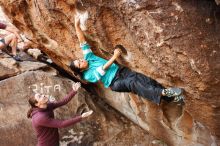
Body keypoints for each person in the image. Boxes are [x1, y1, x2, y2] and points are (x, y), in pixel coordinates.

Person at [69, 16, 184, 105]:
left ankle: (172, 98)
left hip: (122, 71)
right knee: (133, 83)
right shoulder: (88, 76)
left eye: (79, 60)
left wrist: (76, 26)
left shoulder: (88, 58)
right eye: (80, 63)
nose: (81, 60)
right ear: (81, 69)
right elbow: (103, 69)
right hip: (115, 82)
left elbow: (82, 41)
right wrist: (115, 57)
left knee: (145, 81)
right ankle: (164, 92)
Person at [27, 82, 93, 146]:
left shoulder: (47, 106)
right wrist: (81, 117)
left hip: (53, 142)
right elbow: (62, 124)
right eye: (40, 97)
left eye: (41, 94)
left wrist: (74, 91)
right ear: (37, 104)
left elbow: (63, 102)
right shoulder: (40, 118)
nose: (43, 95)